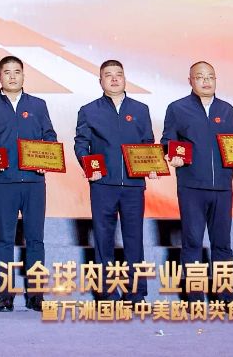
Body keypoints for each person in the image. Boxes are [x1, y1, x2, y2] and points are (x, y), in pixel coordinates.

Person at [161, 61, 233, 302]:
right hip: (191, 186)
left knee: (222, 244)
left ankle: (226, 297)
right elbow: (167, 140)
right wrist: (171, 155)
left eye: (210, 76)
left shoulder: (227, 110)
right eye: (200, 76)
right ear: (190, 81)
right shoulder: (177, 108)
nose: (206, 81)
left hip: (222, 187)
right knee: (192, 242)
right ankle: (194, 298)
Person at [0, 55, 56, 312]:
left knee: (35, 240)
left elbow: (49, 136)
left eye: (17, 71)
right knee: (4, 241)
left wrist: (46, 158)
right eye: (7, 72)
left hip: (34, 181)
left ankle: (36, 295)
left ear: (23, 75)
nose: (12, 76)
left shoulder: (38, 105)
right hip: (4, 181)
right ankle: (5, 295)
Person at [73, 60, 156, 303]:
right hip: (103, 184)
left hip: (133, 185)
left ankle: (136, 293)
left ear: (125, 79)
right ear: (100, 81)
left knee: (134, 239)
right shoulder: (89, 110)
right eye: (108, 75)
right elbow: (81, 144)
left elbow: (148, 143)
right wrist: (89, 167)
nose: (114, 79)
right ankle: (106, 292)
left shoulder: (140, 109)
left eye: (119, 74)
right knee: (103, 239)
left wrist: (151, 165)